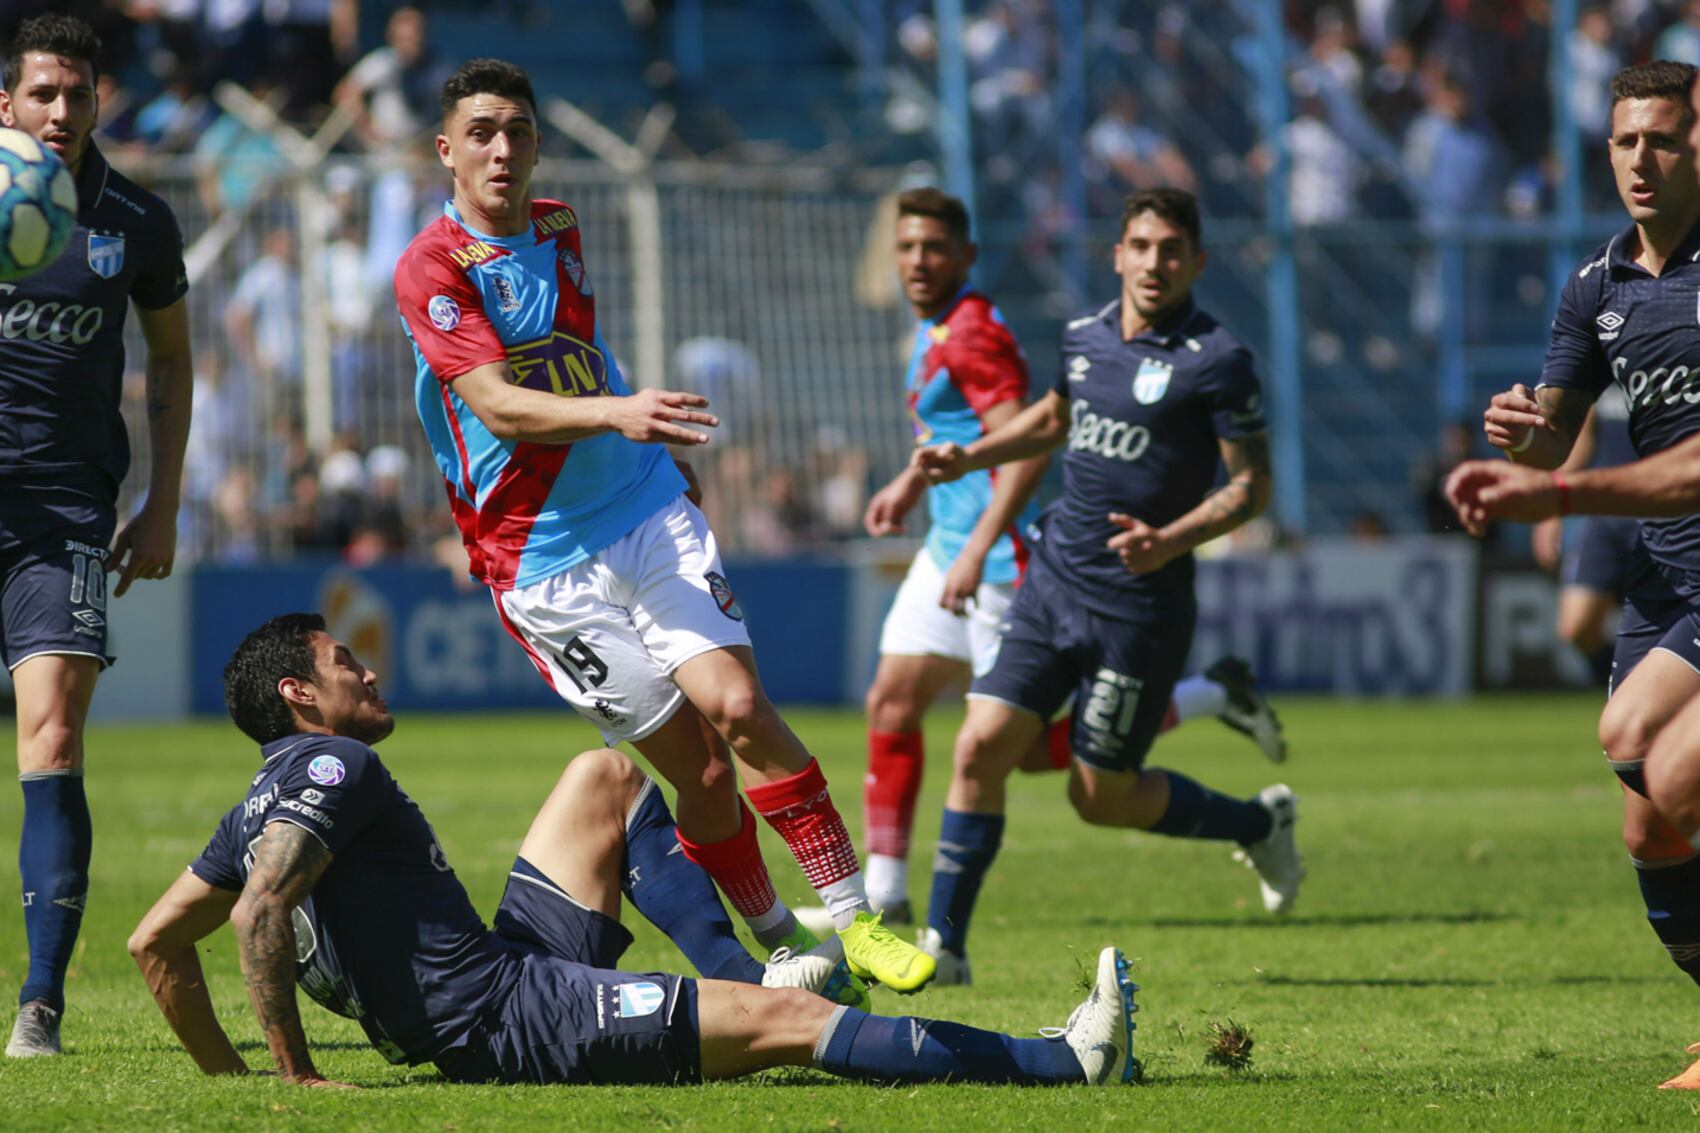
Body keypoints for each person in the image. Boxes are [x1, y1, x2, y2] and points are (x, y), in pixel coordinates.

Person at [390, 58, 933, 1001]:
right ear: (447, 151)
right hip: (538, 558)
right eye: (481, 132)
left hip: (642, 504)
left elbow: (580, 353)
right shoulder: (431, 267)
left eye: (517, 129)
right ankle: (781, 948)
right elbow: (497, 405)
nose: (502, 148)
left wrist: (641, 432)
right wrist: (620, 412)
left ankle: (857, 919)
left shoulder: (559, 227)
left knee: (735, 705)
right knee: (701, 769)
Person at [126, 614, 1141, 1089]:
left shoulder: (252, 802)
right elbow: (260, 911)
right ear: (301, 695)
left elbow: (154, 944)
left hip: (499, 967)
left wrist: (230, 1080)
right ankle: (1064, 1061)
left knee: (601, 774)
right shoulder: (336, 771)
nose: (370, 668)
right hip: (504, 1017)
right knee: (792, 1019)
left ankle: (741, 962)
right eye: (346, 663)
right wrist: (294, 1078)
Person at [831, 187, 1284, 928]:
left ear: (1197, 262)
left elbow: (1253, 486)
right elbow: (1051, 421)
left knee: (1087, 788)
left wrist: (1165, 540)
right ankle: (925, 930)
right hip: (1050, 575)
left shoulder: (1218, 360)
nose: (1154, 263)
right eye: (1140, 246)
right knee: (960, 733)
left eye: (1171, 250)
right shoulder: (1082, 337)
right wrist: (944, 463)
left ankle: (1248, 797)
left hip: (1115, 593)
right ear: (1117, 254)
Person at [1449, 60, 1700, 1092]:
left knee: (1671, 766)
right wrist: (1525, 432)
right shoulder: (1594, 286)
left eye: (1662, 139)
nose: (1640, 159)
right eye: (1623, 141)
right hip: (1668, 577)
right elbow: (1552, 433)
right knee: (1643, 806)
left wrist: (1552, 499)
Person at [0, 14, 194, 1057]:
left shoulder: (135, 219)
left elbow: (169, 360)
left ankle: (40, 1001)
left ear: (99, 101)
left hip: (67, 504)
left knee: (55, 738)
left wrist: (161, 501)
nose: (62, 113)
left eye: (77, 95)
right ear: (7, 105)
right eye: (42, 95)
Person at [1529, 388, 1640, 685]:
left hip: (1660, 510)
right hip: (1604, 513)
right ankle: (1624, 685)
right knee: (1575, 628)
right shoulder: (1606, 366)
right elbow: (1584, 444)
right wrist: (1551, 511)